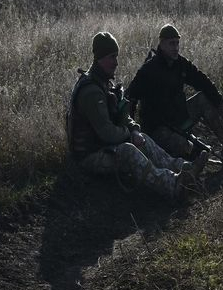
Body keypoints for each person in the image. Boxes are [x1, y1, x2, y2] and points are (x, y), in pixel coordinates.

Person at [66, 32, 206, 200]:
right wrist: (129, 134)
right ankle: (172, 185)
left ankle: (184, 168)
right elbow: (107, 133)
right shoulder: (91, 91)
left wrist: (134, 129)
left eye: (116, 56)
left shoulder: (104, 83)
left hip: (104, 147)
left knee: (142, 138)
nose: (116, 62)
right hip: (89, 156)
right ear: (100, 58)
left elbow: (124, 116)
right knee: (128, 151)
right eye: (112, 57)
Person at [126, 24, 223, 164]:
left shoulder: (181, 63)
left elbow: (202, 81)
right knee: (186, 148)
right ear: (161, 44)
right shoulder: (148, 70)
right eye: (171, 43)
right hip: (158, 129)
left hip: (180, 120)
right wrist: (133, 131)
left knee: (203, 99)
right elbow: (130, 98)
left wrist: (220, 104)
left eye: (177, 43)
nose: (176, 48)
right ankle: (193, 161)